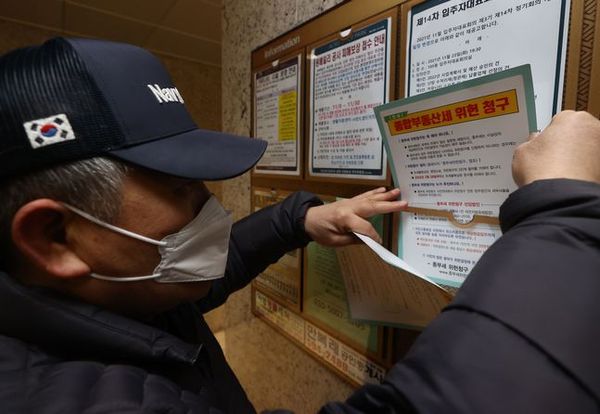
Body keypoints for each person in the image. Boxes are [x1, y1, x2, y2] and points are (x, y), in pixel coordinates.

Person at [1, 37, 599, 414]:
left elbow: (200, 278)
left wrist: (299, 219)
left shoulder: (105, 293)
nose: (211, 211)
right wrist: (566, 206)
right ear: (54, 237)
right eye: (182, 191)